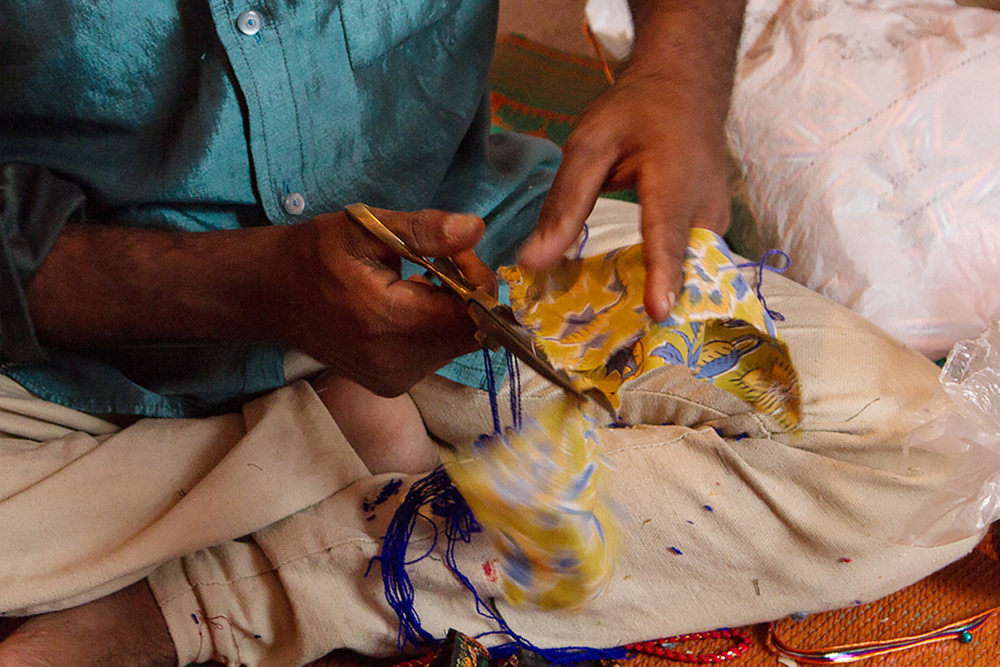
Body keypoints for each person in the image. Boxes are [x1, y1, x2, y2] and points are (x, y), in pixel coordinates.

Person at [0, 1, 984, 667]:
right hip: (84, 350)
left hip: (485, 253)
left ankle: (209, 598)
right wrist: (244, 291)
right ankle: (340, 459)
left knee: (920, 452)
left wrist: (679, 75)